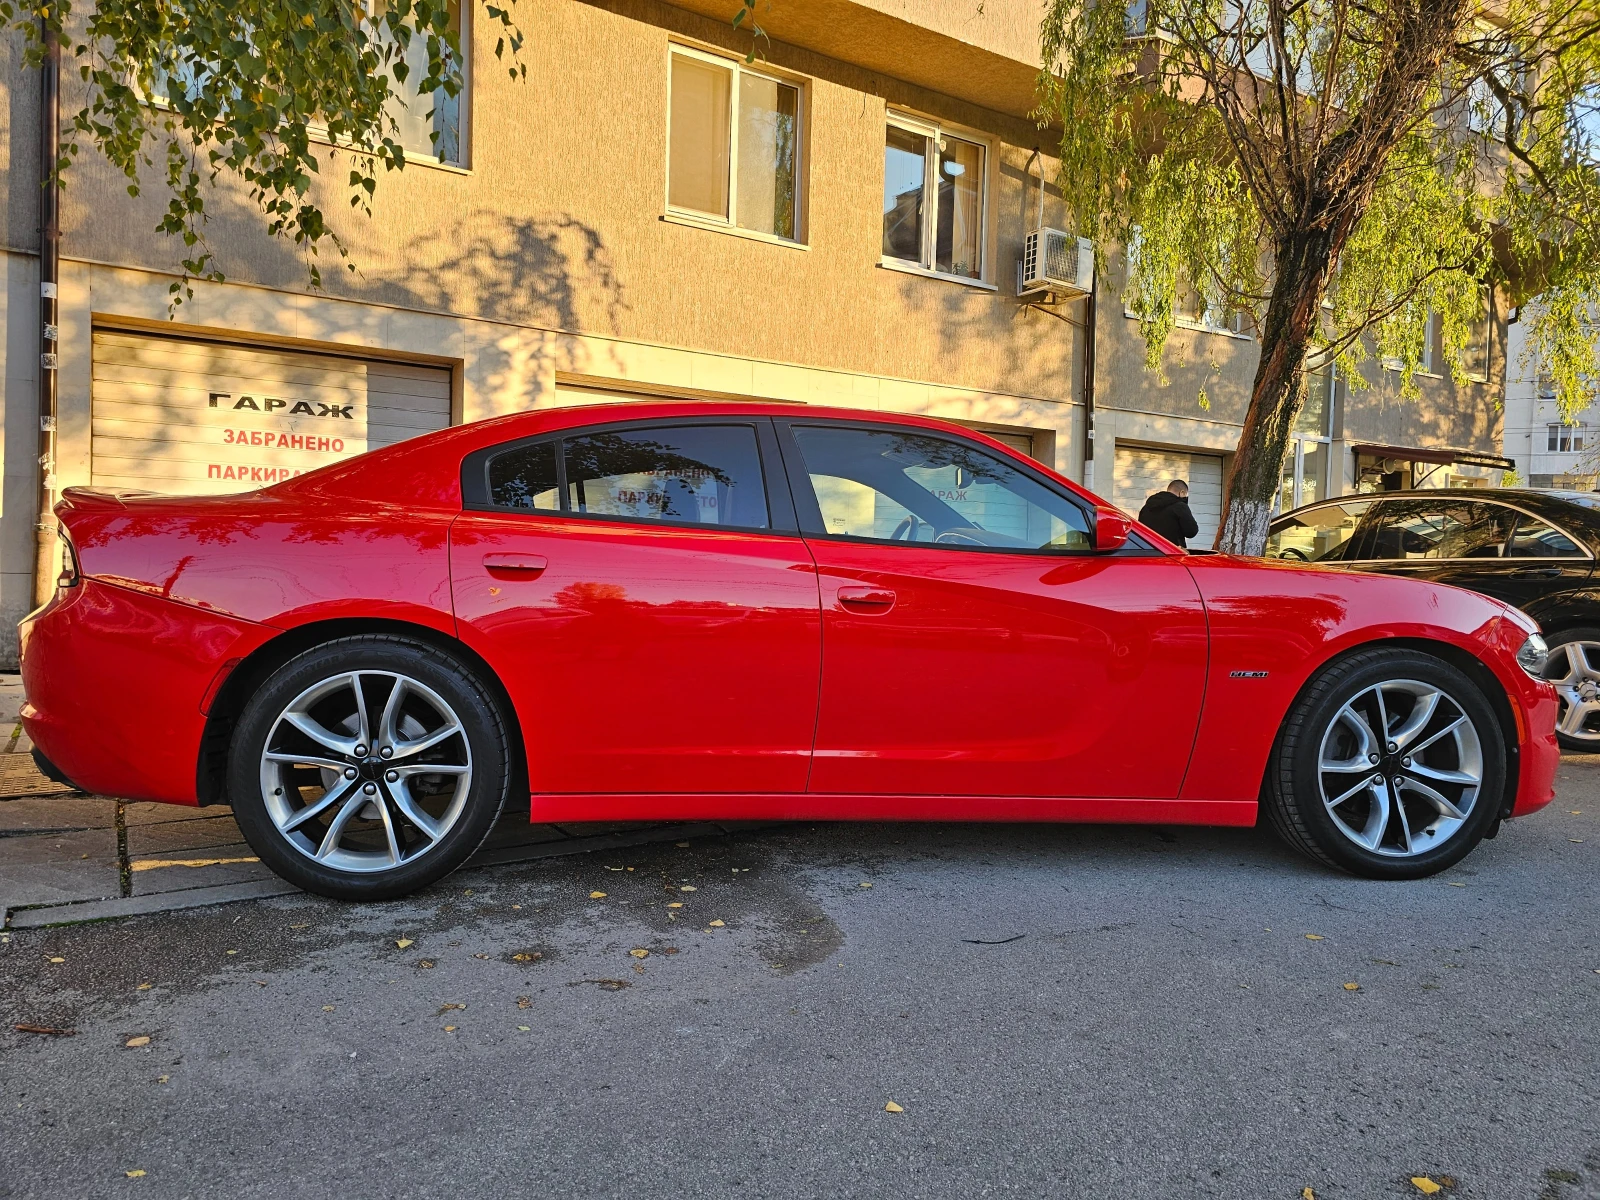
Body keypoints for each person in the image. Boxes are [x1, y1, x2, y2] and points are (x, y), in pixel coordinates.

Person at [1138, 479, 1200, 548]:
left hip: (1147, 550)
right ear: (1182, 492)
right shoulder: (1180, 507)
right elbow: (1191, 532)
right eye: (1185, 494)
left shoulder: (1146, 508)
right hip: (1171, 551)